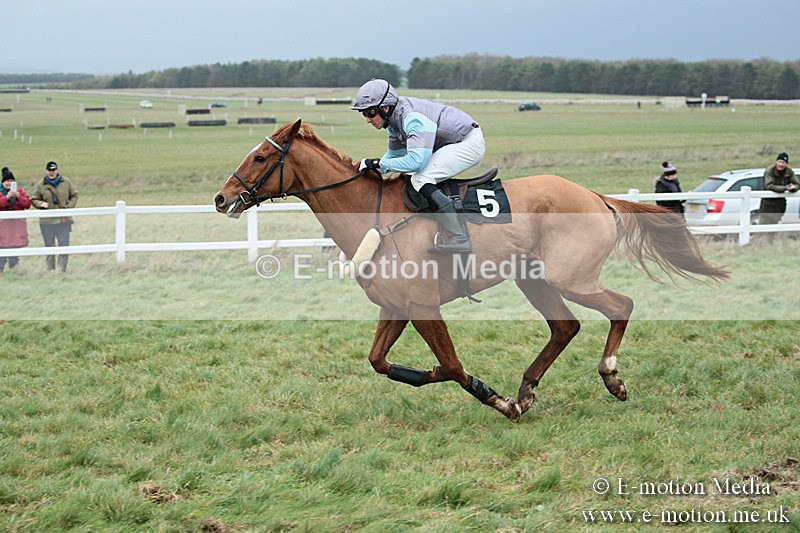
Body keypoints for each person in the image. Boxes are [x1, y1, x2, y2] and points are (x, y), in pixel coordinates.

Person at [351, 79, 485, 253]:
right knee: (412, 176)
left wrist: (379, 163)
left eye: (370, 112)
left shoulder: (411, 118)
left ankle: (459, 238)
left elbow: (416, 162)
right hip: (451, 142)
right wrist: (373, 167)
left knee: (421, 178)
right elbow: (393, 157)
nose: (368, 119)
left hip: (468, 142)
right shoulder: (393, 122)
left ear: (385, 108)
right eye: (363, 114)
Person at [31, 161, 79, 272]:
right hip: (47, 222)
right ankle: (50, 270)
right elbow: (34, 199)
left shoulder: (66, 182)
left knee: (64, 245)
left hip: (63, 220)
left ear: (57, 170)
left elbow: (74, 195)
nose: (52, 172)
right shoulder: (40, 185)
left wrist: (68, 208)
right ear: (46, 171)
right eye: (49, 170)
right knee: (49, 246)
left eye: (53, 170)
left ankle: (62, 269)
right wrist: (40, 204)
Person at [0, 167, 32, 272]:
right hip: (2, 228)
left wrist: (18, 196)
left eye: (11, 181)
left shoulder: (20, 191)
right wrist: (7, 197)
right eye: (7, 181)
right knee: (2, 251)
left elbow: (27, 204)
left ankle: (14, 271)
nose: (9, 183)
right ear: (3, 182)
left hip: (16, 228)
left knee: (14, 251)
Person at [759, 152, 798, 226]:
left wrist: (793, 188)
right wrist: (785, 188)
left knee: (773, 230)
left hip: (780, 205)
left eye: (783, 162)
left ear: (786, 164)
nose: (781, 164)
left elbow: (797, 184)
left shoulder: (789, 172)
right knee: (762, 229)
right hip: (767, 205)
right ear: (776, 162)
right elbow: (769, 186)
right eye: (780, 162)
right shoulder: (769, 171)